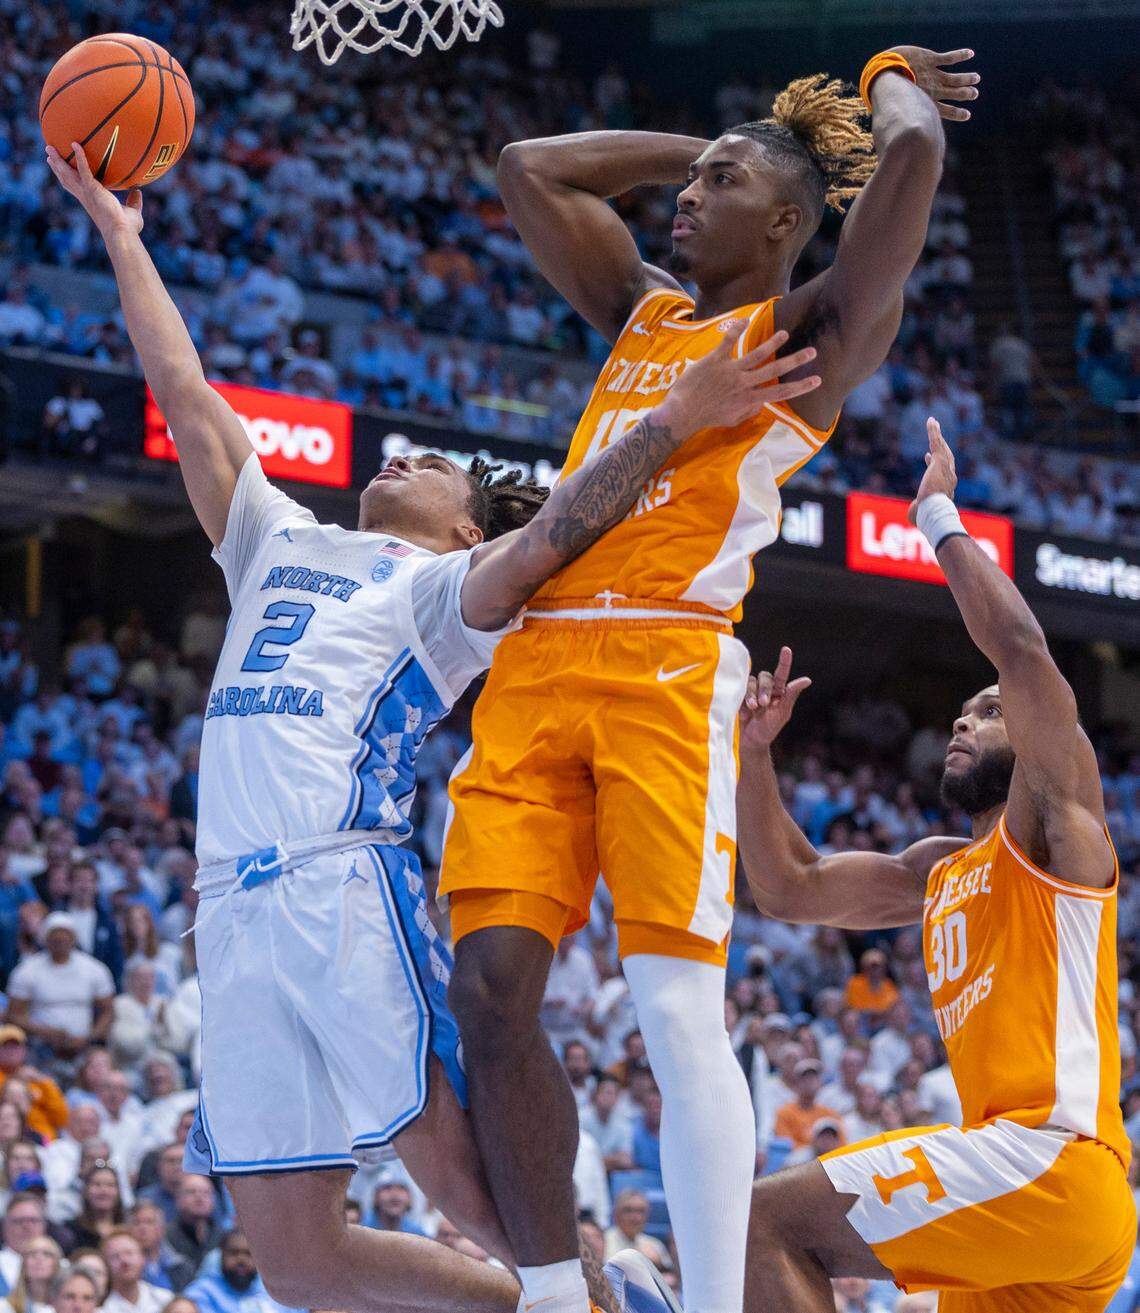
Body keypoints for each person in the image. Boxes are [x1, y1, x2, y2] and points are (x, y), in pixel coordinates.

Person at [47, 134, 816, 1313]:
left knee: (460, 1177)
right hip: (225, 911)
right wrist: (122, 239)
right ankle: (581, 1301)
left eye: (443, 464)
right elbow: (187, 395)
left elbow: (564, 526)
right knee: (301, 1261)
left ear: (464, 530)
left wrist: (679, 415)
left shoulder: (443, 596)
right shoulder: (277, 542)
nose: (411, 452)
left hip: (337, 886)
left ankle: (593, 1290)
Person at [442, 42, 979, 1313]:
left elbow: (909, 154)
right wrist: (708, 150)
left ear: (787, 220)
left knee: (674, 1005)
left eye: (722, 183)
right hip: (539, 653)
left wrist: (889, 73)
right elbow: (529, 169)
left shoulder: (807, 339)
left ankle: (719, 1301)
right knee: (491, 987)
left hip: (665, 667)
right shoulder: (645, 312)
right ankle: (561, 1288)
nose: (687, 200)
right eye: (695, 178)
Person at [737, 419, 1134, 1310]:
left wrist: (938, 516)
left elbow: (1025, 655)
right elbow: (788, 887)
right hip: (1036, 1206)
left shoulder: (1055, 829)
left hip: (1054, 1157)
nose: (964, 720)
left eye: (986, 712)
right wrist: (753, 756)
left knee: (762, 1220)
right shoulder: (936, 870)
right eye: (958, 712)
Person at [5, 915, 114, 1069]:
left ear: (74, 939)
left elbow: (108, 1011)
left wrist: (89, 1037)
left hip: (83, 1047)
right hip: (41, 1047)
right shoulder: (27, 970)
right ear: (46, 940)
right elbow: (13, 1015)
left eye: (65, 937)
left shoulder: (94, 969)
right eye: (55, 938)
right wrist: (45, 1032)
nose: (60, 942)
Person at [183, 1231, 291, 1313]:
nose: (241, 1260)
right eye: (234, 1253)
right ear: (220, 1256)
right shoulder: (201, 1293)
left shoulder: (275, 1291)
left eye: (249, 1254)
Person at [0, 1031, 66, 1145]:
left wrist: (43, 1081)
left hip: (43, 1143)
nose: (11, 1051)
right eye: (6, 1047)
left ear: (24, 1050)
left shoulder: (38, 1080)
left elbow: (61, 1119)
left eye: (15, 1047)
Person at [101, 1230, 168, 1313]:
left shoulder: (165, 1301)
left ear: (142, 1258)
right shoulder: (102, 1309)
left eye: (129, 1253)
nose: (124, 1261)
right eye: (115, 1256)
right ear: (105, 1265)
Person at [0, 1235, 62, 1313]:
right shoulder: (4, 1307)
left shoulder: (67, 1306)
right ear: (23, 1264)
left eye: (47, 1254)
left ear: (56, 1263)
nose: (39, 1258)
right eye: (32, 1253)